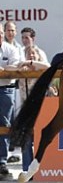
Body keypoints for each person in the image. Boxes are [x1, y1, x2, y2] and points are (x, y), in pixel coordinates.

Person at [0, 23, 20, 178]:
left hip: (7, 89)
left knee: (5, 124)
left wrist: (4, 70)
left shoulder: (11, 49)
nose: (0, 35)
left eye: (1, 32)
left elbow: (16, 66)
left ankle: (2, 161)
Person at [4, 21, 24, 163]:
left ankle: (9, 152)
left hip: (16, 85)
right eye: (8, 30)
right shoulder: (7, 47)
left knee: (10, 120)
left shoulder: (18, 48)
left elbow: (20, 65)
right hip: (8, 85)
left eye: (12, 30)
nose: (10, 32)